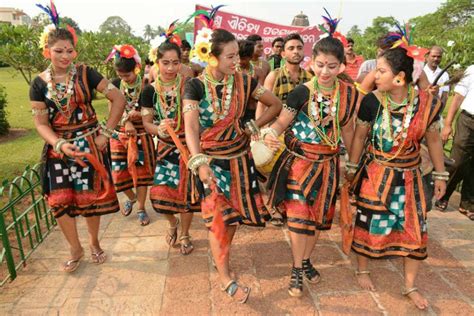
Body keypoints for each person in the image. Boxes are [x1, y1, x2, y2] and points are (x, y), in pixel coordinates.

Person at [183, 28, 282, 303]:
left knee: (232, 219)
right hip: (210, 164)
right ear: (211, 57)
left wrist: (253, 125)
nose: (236, 61)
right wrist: (199, 160)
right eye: (230, 56)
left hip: (239, 162)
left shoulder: (247, 82)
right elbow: (190, 127)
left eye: (237, 55)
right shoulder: (194, 85)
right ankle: (225, 276)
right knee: (217, 222)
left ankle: (222, 258)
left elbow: (275, 104)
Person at [346, 45, 447, 310]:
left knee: (415, 228)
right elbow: (359, 137)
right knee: (368, 221)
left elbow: (434, 140)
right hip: (376, 173)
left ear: (400, 77)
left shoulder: (427, 104)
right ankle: (363, 269)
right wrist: (352, 167)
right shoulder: (371, 101)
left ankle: (410, 284)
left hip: (410, 177)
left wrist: (440, 175)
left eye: (381, 71)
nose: (374, 76)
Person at [265, 30, 357, 297]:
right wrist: (271, 134)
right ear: (311, 62)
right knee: (298, 220)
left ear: (341, 66)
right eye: (319, 65)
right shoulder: (300, 93)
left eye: (331, 66)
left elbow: (349, 130)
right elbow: (282, 122)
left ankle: (306, 261)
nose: (325, 72)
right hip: (298, 164)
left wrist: (352, 163)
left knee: (317, 221)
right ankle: (296, 268)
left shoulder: (349, 95)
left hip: (328, 167)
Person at [29, 16, 126, 272]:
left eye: (69, 50)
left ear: (76, 50)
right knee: (59, 202)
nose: (65, 56)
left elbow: (118, 98)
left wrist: (106, 133)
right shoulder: (38, 83)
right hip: (58, 150)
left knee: (89, 199)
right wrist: (58, 144)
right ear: (46, 51)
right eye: (58, 51)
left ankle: (94, 242)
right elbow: (41, 124)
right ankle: (75, 248)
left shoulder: (86, 73)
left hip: (89, 145)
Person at [141, 39, 199, 255]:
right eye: (165, 63)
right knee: (160, 194)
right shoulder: (149, 91)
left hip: (188, 146)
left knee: (187, 195)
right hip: (165, 148)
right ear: (157, 62)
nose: (170, 68)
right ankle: (172, 222)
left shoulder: (190, 85)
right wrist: (159, 130)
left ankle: (184, 233)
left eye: (175, 63)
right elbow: (147, 123)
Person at [256, 33, 313, 227]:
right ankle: (274, 207)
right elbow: (262, 104)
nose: (296, 52)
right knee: (276, 171)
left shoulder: (309, 77)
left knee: (294, 173)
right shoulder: (275, 75)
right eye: (291, 48)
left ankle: (290, 206)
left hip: (300, 134)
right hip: (276, 131)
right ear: (283, 52)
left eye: (299, 47)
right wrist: (260, 131)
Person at [107, 44, 155, 226]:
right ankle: (132, 197)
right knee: (118, 174)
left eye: (127, 75)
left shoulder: (146, 85)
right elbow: (112, 111)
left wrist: (140, 114)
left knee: (141, 175)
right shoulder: (115, 84)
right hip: (119, 135)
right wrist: (126, 121)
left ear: (136, 68)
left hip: (141, 134)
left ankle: (142, 207)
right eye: (120, 75)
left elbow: (151, 111)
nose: (124, 79)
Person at [438, 65, 474, 220]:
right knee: (457, 160)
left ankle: (468, 203)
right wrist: (447, 124)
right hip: (468, 120)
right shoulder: (472, 70)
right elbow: (458, 97)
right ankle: (443, 194)